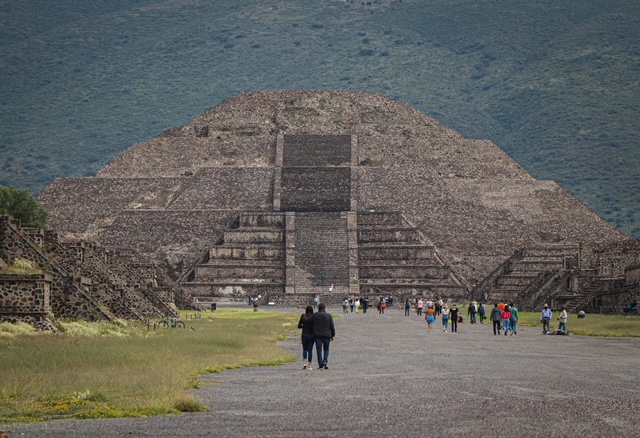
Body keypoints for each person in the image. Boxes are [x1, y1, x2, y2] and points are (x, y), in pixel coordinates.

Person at [312, 303, 335, 369]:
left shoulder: (315, 315)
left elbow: (311, 324)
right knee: (326, 349)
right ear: (324, 308)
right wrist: (333, 335)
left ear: (318, 308)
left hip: (318, 335)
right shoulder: (328, 315)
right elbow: (331, 326)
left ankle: (320, 364)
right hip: (327, 335)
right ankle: (325, 361)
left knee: (319, 350)